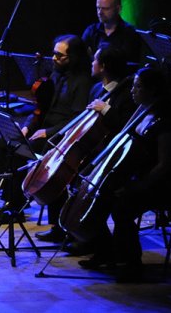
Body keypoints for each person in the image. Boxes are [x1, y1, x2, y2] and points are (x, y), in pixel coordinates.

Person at [78, 67, 171, 283]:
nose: (132, 91)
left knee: (122, 208)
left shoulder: (164, 121)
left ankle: (131, 264)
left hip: (160, 184)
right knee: (100, 197)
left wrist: (135, 187)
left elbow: (163, 166)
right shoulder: (143, 111)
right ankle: (106, 252)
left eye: (138, 87)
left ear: (153, 90)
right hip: (139, 178)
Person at [36, 46, 134, 244]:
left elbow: (125, 126)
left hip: (106, 153)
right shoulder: (97, 89)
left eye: (95, 60)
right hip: (89, 148)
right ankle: (60, 228)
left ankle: (86, 236)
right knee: (58, 172)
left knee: (71, 177)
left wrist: (106, 109)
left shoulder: (124, 94)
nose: (92, 63)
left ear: (103, 66)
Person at [0, 35, 92, 219]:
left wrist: (47, 132)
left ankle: (17, 205)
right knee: (1, 144)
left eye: (59, 55)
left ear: (73, 58)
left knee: (19, 151)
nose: (54, 58)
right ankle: (10, 199)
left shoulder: (82, 82)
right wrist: (27, 127)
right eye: (54, 54)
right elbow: (40, 108)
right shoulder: (55, 74)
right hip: (43, 129)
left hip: (60, 136)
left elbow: (77, 119)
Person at [81, 0, 145, 66]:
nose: (100, 12)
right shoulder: (91, 30)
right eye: (98, 8)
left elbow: (130, 64)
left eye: (105, 8)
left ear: (118, 9)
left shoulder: (130, 33)